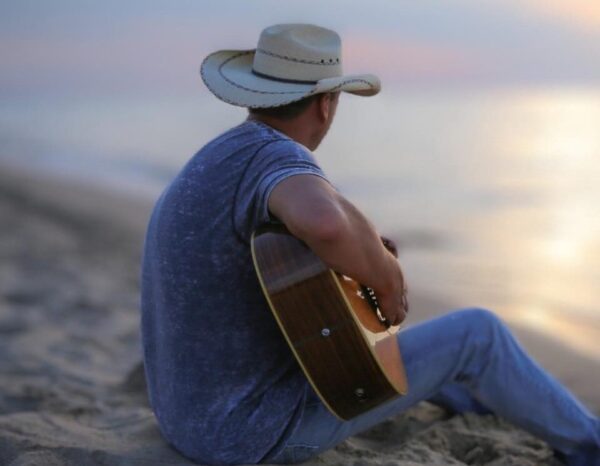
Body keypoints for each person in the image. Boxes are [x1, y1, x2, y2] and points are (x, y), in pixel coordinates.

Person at [140, 23, 600, 465]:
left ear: (256, 93)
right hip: (250, 435)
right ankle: (589, 445)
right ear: (326, 104)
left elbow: (319, 222)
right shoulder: (276, 156)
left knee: (373, 349)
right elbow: (325, 224)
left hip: (188, 421)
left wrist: (366, 252)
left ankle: (477, 392)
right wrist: (386, 277)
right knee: (478, 334)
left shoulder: (223, 155)